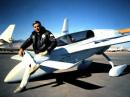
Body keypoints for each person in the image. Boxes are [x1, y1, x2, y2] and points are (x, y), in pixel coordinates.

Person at [14, 21, 57, 93]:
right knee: (25, 52)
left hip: (44, 54)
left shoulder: (47, 32)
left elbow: (54, 42)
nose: (37, 28)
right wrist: (21, 48)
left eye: (38, 26)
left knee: (28, 69)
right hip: (37, 54)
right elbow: (28, 41)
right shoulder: (33, 34)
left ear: (40, 25)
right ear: (33, 27)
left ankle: (22, 86)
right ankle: (33, 65)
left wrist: (47, 51)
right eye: (35, 27)